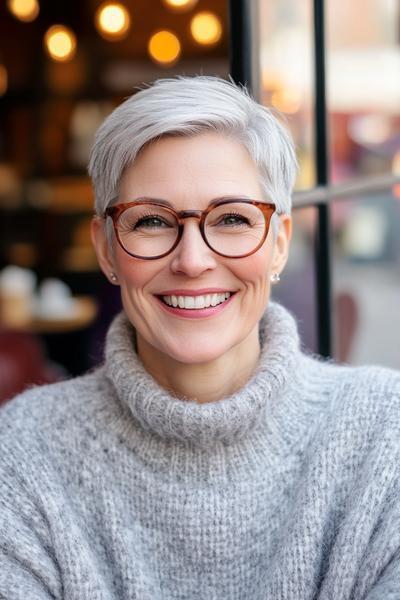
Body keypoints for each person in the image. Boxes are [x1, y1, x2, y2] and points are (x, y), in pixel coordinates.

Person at [0, 76, 400, 600]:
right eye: (152, 222)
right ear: (106, 250)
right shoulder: (22, 454)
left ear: (278, 243)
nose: (192, 261)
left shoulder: (386, 436)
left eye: (232, 218)